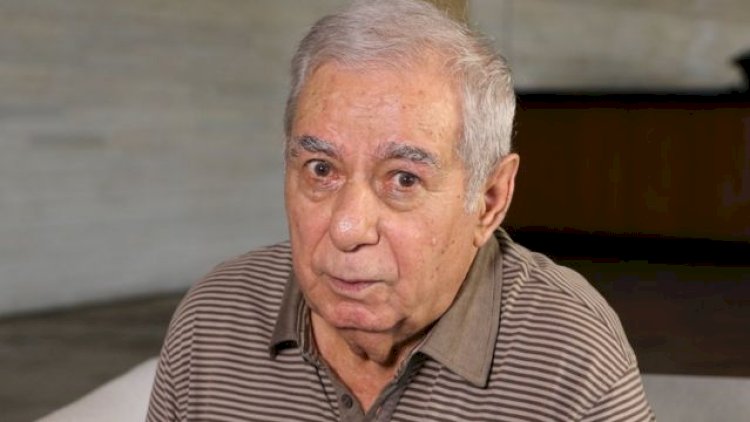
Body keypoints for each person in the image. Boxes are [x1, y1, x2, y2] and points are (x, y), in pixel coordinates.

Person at [147, 0, 654, 420]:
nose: (348, 227)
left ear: (490, 200)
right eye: (321, 169)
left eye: (404, 179)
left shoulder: (570, 354)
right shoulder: (212, 320)